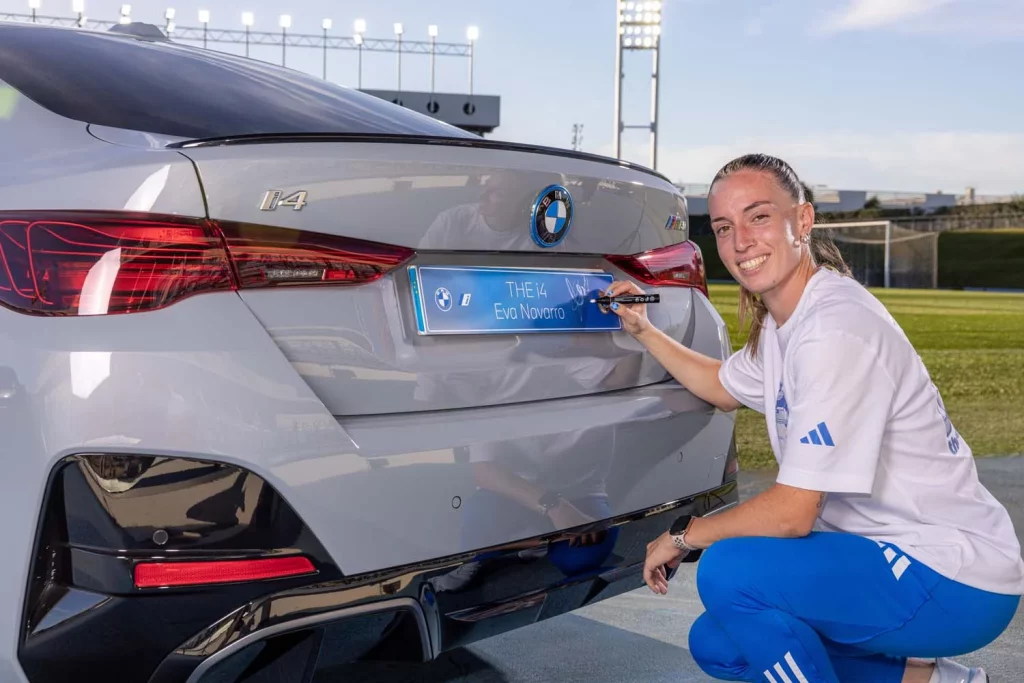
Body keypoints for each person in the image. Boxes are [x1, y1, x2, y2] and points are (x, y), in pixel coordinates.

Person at [604, 153, 1024, 683]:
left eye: (758, 217)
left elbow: (792, 515)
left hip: (953, 575)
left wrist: (686, 535)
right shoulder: (785, 326)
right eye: (724, 227)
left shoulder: (834, 329)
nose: (740, 243)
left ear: (802, 221)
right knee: (720, 644)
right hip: (889, 558)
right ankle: (933, 681)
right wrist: (641, 328)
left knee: (730, 573)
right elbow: (721, 385)